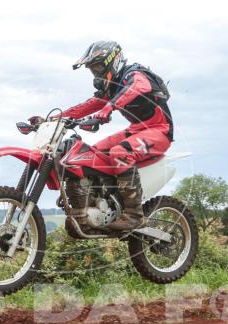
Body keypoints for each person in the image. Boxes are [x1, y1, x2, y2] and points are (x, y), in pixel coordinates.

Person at [58, 41, 174, 231]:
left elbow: (139, 87)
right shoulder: (111, 88)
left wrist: (110, 107)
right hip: (136, 129)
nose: (96, 73)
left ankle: (135, 214)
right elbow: (85, 107)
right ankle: (104, 202)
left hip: (159, 130)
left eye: (98, 67)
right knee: (91, 154)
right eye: (92, 69)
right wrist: (53, 119)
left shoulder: (134, 74)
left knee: (120, 152)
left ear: (114, 60)